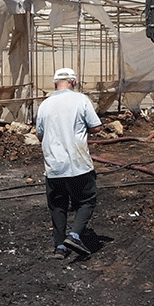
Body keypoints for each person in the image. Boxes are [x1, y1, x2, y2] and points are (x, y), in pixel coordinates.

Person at [35, 68, 102, 259]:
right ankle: (74, 236)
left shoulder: (45, 105)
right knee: (87, 201)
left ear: (55, 83)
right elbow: (96, 126)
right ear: (73, 82)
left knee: (58, 206)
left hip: (53, 167)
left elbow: (39, 134)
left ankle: (59, 247)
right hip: (78, 164)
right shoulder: (80, 100)